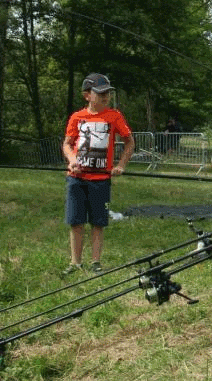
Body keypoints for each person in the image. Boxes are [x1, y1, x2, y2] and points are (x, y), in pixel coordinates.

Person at [61, 73, 135, 275]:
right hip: (77, 178)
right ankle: (75, 262)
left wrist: (120, 164)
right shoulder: (77, 117)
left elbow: (129, 142)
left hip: (101, 180)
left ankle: (95, 261)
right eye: (100, 93)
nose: (105, 97)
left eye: (108, 94)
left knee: (98, 222)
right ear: (87, 95)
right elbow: (67, 145)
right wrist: (73, 160)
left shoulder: (114, 116)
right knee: (76, 221)